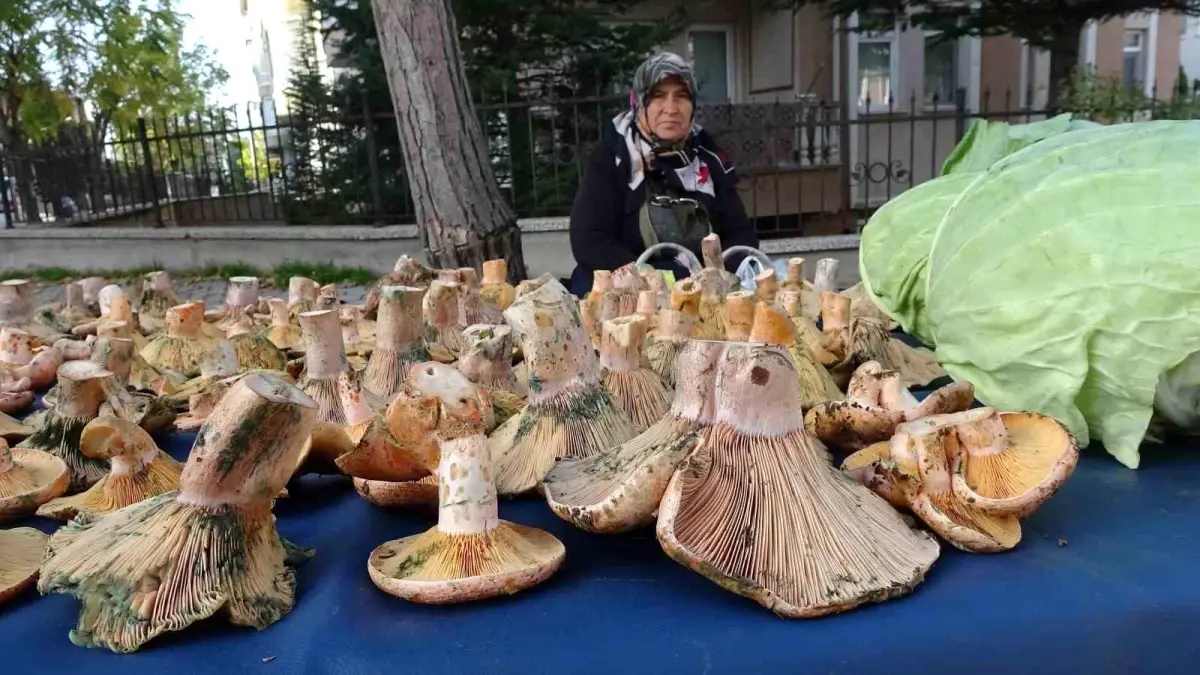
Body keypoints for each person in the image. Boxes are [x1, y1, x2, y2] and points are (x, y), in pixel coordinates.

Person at [567, 52, 759, 296]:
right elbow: (589, 240)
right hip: (628, 289)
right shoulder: (613, 157)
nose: (671, 108)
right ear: (640, 102)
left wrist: (716, 276)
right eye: (658, 96)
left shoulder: (708, 158)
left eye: (681, 96)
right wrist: (655, 279)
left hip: (701, 288)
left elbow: (741, 235)